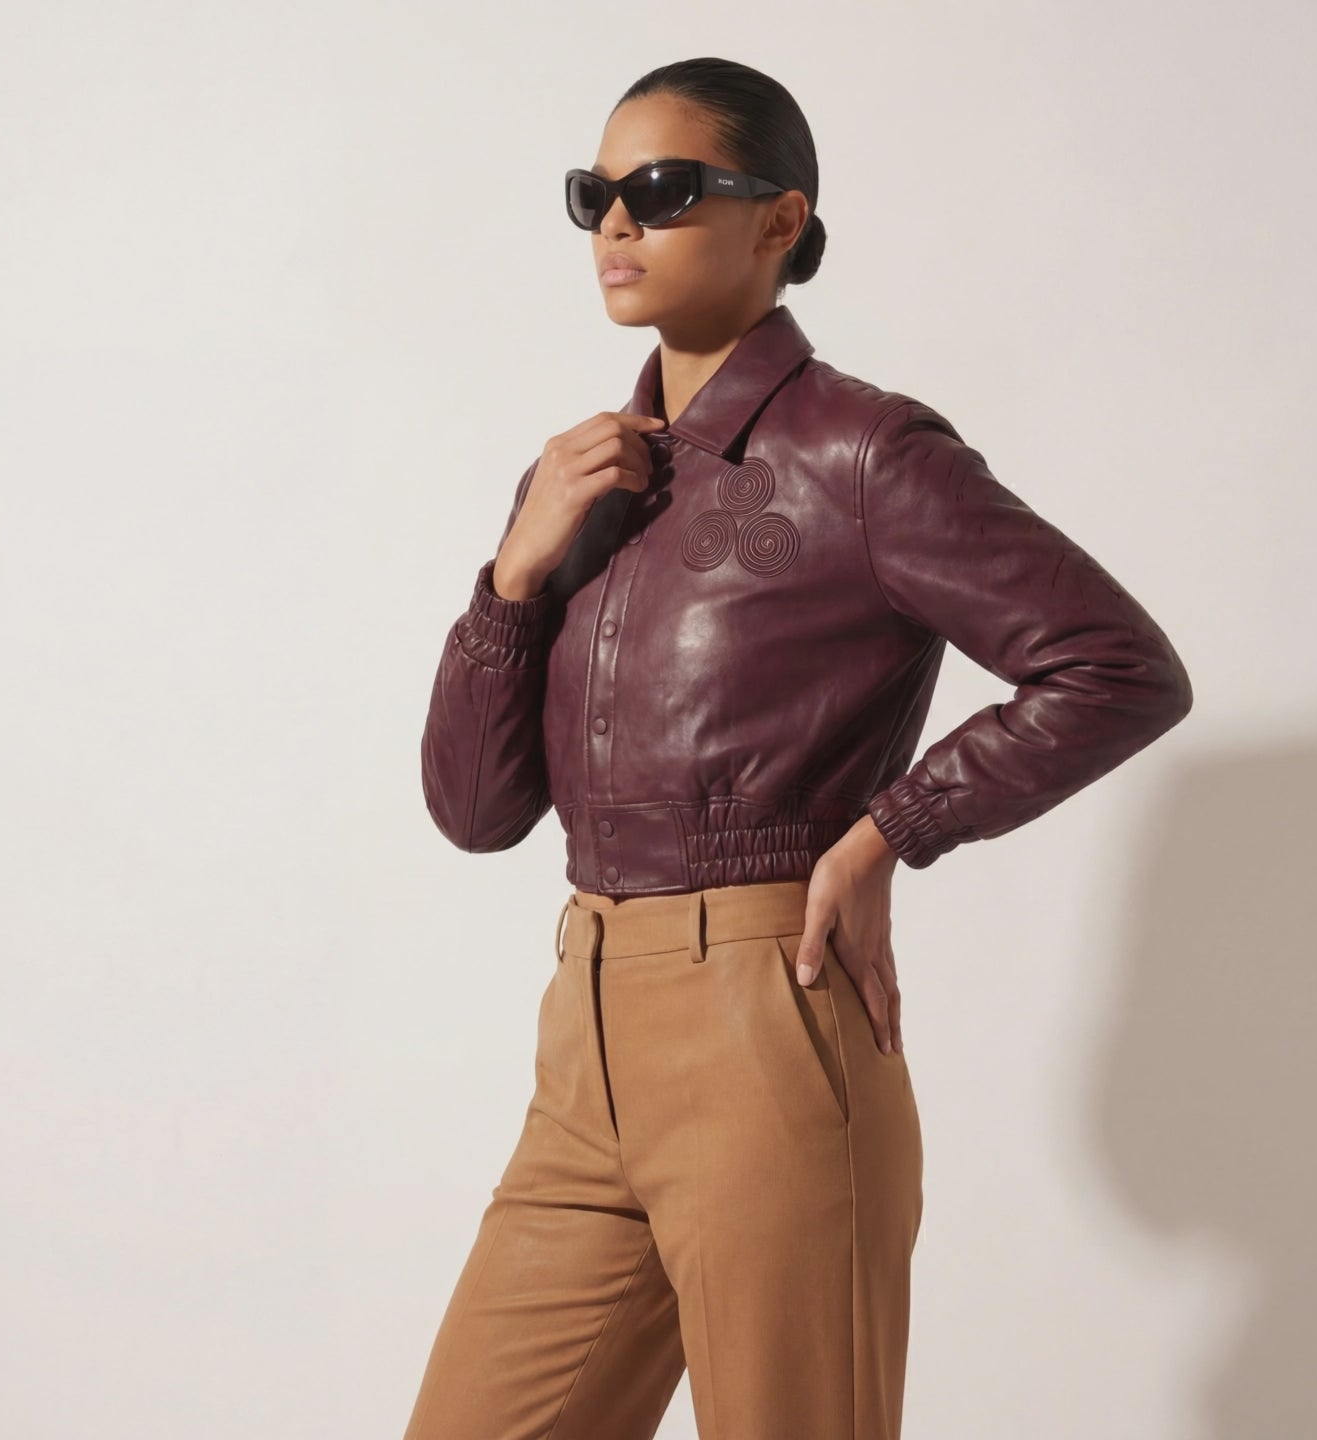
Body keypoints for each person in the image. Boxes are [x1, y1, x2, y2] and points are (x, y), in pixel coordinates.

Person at [403, 55, 1193, 1440]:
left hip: (770, 1026)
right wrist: (512, 577)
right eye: (595, 194)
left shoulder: (866, 454)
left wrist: (891, 832)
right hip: (583, 1047)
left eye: (663, 188)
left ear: (781, 220)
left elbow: (1117, 667)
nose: (617, 223)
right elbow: (476, 813)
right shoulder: (575, 479)